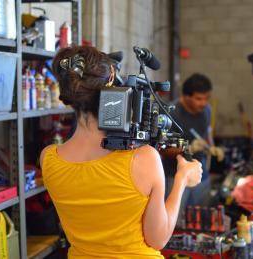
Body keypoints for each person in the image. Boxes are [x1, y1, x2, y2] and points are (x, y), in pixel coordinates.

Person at [39, 46, 203, 258]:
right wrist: (181, 179)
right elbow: (158, 239)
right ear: (114, 93)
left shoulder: (48, 158)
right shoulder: (143, 158)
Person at [163, 73, 224, 209]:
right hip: (176, 176)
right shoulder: (171, 114)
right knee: (175, 219)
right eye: (199, 99)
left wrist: (211, 147)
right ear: (186, 96)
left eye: (206, 98)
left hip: (201, 174)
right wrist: (188, 149)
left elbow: (207, 132)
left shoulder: (206, 110)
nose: (203, 103)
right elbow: (163, 149)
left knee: (200, 217)